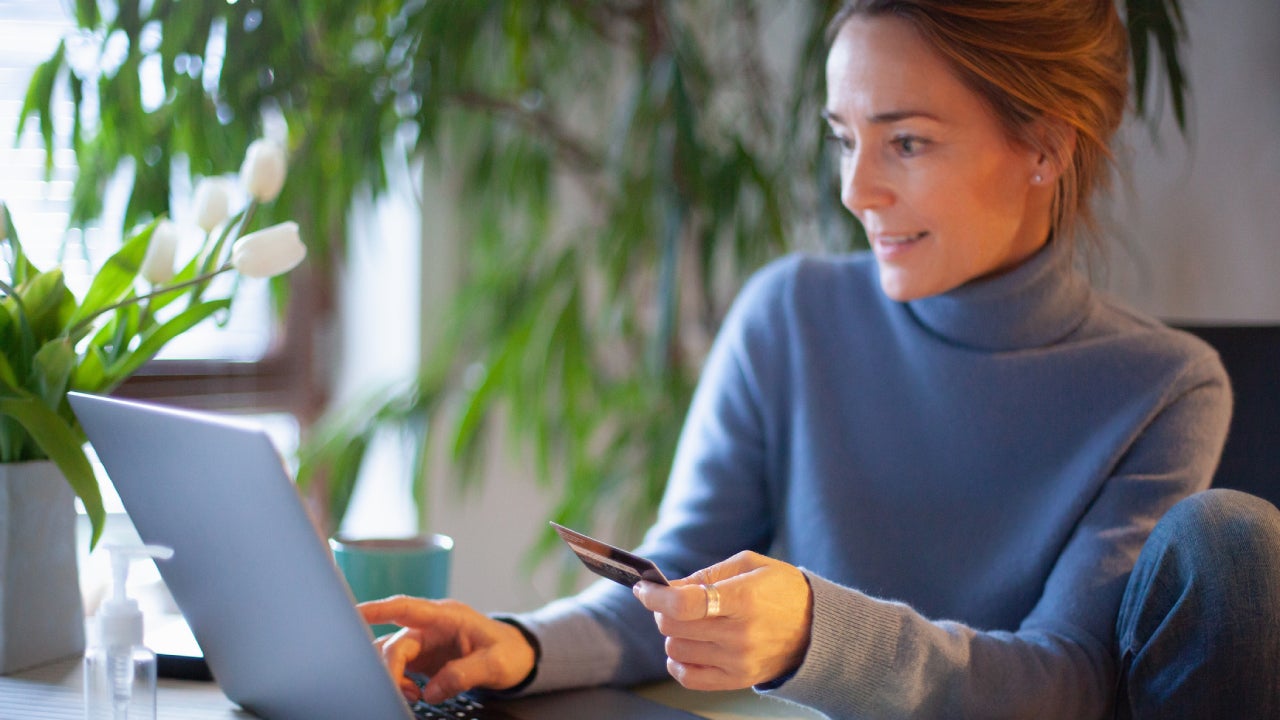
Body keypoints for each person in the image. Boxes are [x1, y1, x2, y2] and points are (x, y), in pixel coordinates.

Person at [359, 1, 1280, 717]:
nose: (856, 189)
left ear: (1043, 147)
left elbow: (1067, 681)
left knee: (1235, 536)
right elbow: (674, 583)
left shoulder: (1165, 386)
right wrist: (517, 646)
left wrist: (813, 631)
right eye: (846, 138)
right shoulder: (789, 315)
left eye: (907, 141)